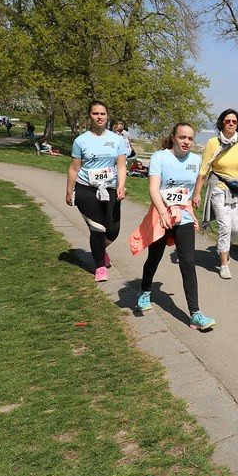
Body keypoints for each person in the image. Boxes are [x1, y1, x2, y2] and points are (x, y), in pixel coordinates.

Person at [129, 122, 215, 330]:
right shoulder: (160, 157)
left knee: (188, 263)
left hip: (183, 216)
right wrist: (162, 212)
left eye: (190, 138)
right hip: (161, 214)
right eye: (182, 137)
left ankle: (195, 313)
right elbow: (153, 188)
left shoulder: (195, 160)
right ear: (174, 137)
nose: (186, 142)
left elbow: (197, 181)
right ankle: (145, 290)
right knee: (154, 257)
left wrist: (195, 194)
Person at [65, 101, 128, 282]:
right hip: (86, 188)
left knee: (113, 230)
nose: (99, 117)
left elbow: (122, 166)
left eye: (102, 113)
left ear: (107, 116)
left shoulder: (117, 140)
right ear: (90, 116)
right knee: (97, 228)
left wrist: (121, 186)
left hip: (110, 189)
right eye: (95, 113)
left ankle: (100, 248)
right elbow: (74, 169)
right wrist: (69, 191)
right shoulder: (81, 141)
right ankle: (100, 266)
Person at [197, 109, 238, 280]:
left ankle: (224, 247)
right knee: (225, 225)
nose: (231, 123)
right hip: (219, 187)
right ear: (222, 123)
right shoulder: (213, 143)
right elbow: (204, 168)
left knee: (236, 228)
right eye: (228, 121)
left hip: (237, 189)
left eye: (234, 121)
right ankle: (224, 264)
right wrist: (197, 193)